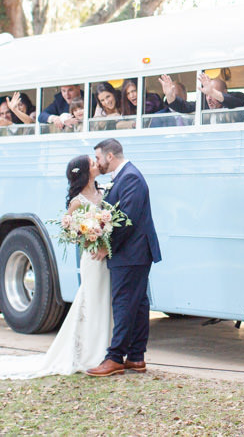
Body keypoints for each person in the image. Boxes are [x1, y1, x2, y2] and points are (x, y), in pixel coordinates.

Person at [0, 155, 112, 379]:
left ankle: (105, 348)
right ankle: (90, 353)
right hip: (92, 258)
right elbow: (72, 232)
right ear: (86, 172)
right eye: (92, 163)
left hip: (106, 257)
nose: (97, 164)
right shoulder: (77, 201)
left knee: (105, 299)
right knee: (92, 299)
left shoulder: (103, 193)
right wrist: (90, 238)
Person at [86, 139, 162, 377]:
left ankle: (115, 357)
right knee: (138, 304)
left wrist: (107, 247)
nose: (97, 164)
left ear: (110, 156)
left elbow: (126, 219)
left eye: (98, 158)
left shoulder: (130, 177)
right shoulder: (124, 177)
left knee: (123, 303)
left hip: (132, 252)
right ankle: (136, 357)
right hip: (135, 252)